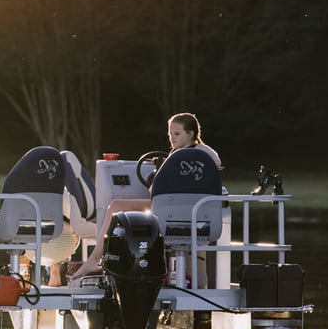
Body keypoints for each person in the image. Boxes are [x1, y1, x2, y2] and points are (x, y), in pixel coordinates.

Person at [69, 112, 220, 280]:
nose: (172, 138)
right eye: (170, 134)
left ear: (191, 134)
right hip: (195, 210)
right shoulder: (199, 156)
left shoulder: (186, 155)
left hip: (171, 209)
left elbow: (156, 189)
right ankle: (187, 281)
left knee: (115, 205)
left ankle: (95, 258)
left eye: (177, 134)